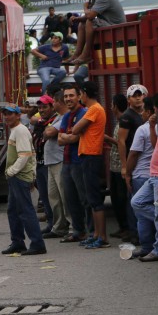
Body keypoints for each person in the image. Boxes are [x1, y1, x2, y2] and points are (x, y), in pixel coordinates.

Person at [0, 104, 46, 256]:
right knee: (13, 210)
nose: (6, 116)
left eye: (10, 114)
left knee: (26, 211)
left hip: (19, 176)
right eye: (5, 113)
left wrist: (12, 171)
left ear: (18, 115)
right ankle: (18, 242)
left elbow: (25, 155)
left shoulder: (20, 130)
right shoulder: (16, 130)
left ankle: (37, 244)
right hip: (17, 177)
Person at [71, 81, 107, 249]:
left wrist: (77, 127)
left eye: (80, 94)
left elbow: (75, 129)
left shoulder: (94, 109)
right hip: (89, 155)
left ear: (84, 93)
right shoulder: (96, 109)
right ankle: (96, 234)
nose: (79, 98)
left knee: (94, 198)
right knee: (92, 198)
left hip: (91, 156)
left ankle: (102, 237)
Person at [58, 84, 92, 243]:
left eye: (71, 95)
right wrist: (69, 136)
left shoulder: (84, 113)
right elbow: (60, 140)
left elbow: (75, 138)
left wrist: (68, 136)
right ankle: (78, 231)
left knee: (85, 198)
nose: (68, 99)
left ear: (79, 96)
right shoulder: (66, 116)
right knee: (70, 198)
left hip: (80, 161)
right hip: (67, 161)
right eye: (65, 96)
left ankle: (91, 232)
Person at [66, 0, 126, 66]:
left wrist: (85, 7)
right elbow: (87, 17)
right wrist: (76, 19)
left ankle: (86, 54)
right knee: (82, 24)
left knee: (90, 22)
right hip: (110, 25)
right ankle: (77, 53)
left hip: (117, 28)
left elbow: (90, 16)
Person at [127, 97, 158, 258]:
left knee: (141, 213)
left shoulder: (144, 129)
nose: (141, 114)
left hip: (141, 175)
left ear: (148, 112)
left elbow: (133, 154)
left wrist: (127, 173)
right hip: (157, 175)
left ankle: (147, 246)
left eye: (142, 111)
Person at [118, 84, 148, 242]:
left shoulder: (146, 114)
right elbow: (121, 141)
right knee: (134, 198)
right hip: (133, 161)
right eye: (134, 95)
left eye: (140, 94)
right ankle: (134, 232)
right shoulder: (127, 116)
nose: (138, 97)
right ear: (129, 99)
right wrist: (124, 166)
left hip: (145, 161)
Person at [42, 90, 71, 239]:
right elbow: (46, 131)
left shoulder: (65, 117)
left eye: (54, 101)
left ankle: (72, 227)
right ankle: (59, 227)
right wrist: (47, 131)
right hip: (51, 161)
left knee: (65, 196)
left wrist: (48, 131)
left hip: (60, 160)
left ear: (59, 102)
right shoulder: (57, 117)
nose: (52, 104)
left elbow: (50, 132)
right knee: (54, 196)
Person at [32, 94, 57, 234]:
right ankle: (50, 222)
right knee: (44, 195)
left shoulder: (55, 121)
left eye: (44, 107)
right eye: (39, 107)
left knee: (53, 196)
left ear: (52, 107)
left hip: (50, 163)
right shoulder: (39, 123)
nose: (41, 110)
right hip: (39, 163)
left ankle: (57, 224)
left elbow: (47, 136)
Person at [107, 94, 131, 239]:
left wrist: (107, 138)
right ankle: (122, 227)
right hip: (114, 166)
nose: (111, 107)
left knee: (122, 199)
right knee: (115, 198)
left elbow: (122, 143)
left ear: (115, 106)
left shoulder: (124, 121)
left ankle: (127, 227)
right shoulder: (118, 122)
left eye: (112, 104)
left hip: (120, 166)